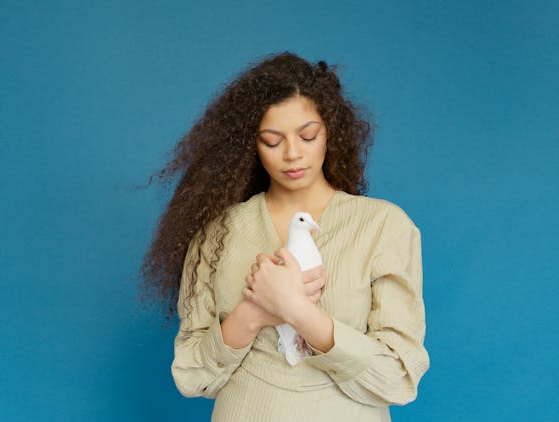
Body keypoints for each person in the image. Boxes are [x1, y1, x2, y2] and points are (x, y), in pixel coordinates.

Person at [140, 52, 429, 421]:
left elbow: (398, 378)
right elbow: (192, 375)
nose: (293, 154)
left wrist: (294, 309)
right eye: (272, 141)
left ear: (331, 132)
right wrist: (254, 311)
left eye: (308, 136)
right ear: (250, 145)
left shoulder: (384, 227)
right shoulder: (219, 233)